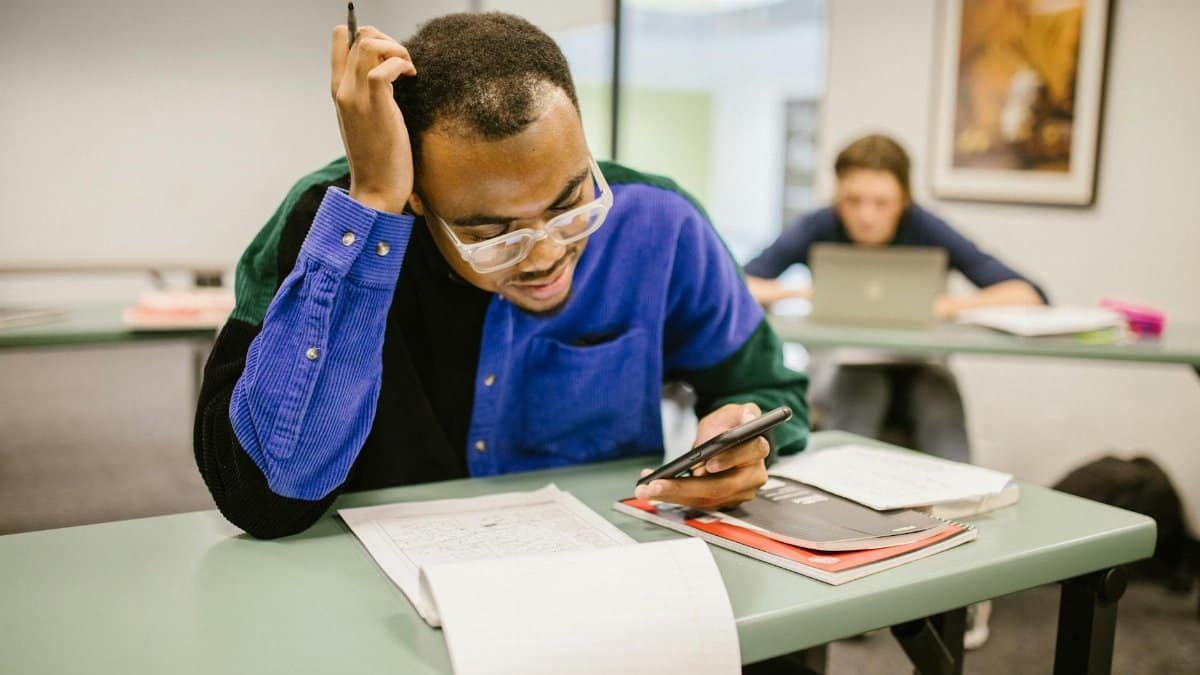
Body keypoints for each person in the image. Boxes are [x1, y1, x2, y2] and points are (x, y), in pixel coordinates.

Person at [194, 13, 808, 540]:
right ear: (418, 195)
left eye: (572, 204)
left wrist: (743, 437)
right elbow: (262, 497)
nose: (542, 257)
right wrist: (375, 200)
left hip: (602, 577)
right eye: (493, 235)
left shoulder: (660, 221)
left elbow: (771, 391)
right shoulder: (332, 222)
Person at [744, 134, 1046, 465]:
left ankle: (959, 507)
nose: (866, 216)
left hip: (921, 366)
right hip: (845, 366)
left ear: (904, 199)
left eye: (881, 203)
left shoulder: (926, 227)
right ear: (837, 196)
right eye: (853, 200)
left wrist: (948, 306)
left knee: (938, 401)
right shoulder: (819, 225)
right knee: (861, 390)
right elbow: (738, 285)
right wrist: (800, 293)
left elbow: (1028, 294)